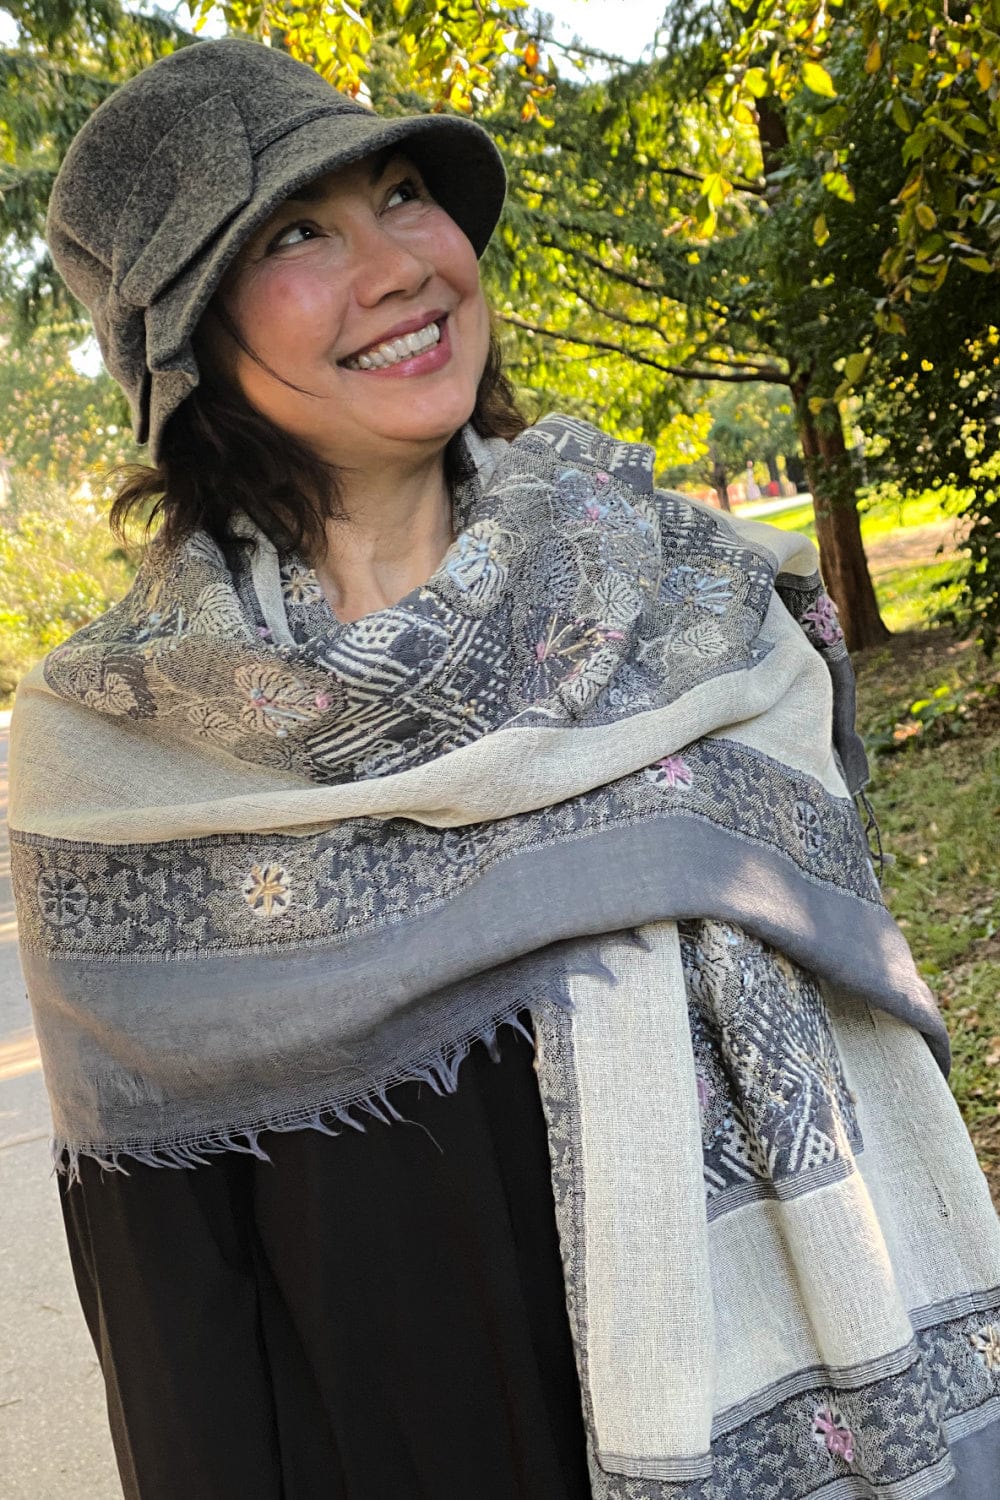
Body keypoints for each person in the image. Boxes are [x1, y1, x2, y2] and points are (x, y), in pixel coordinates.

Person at [9, 38, 1000, 1500]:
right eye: (296, 232)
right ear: (185, 339)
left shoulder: (698, 608)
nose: (400, 262)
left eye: (404, 194)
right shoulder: (115, 759)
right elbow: (180, 1320)